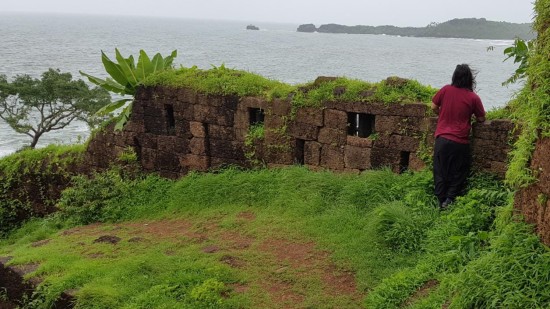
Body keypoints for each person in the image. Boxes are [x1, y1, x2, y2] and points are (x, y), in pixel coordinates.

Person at [431, 64, 486, 209]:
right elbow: (481, 118)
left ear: (454, 76)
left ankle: (440, 200)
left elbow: (433, 107)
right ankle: (449, 200)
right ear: (470, 79)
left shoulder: (445, 90)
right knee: (458, 171)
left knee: (440, 170)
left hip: (442, 138)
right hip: (460, 141)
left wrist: (442, 114)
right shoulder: (473, 97)